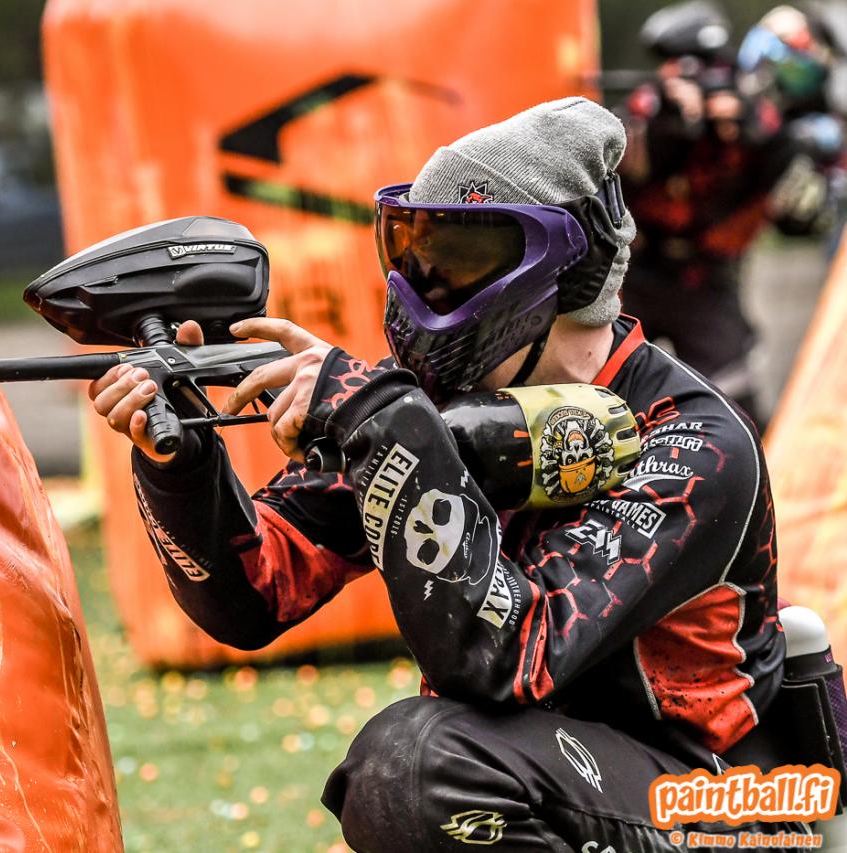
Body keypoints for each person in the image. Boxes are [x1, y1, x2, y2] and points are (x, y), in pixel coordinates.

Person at [89, 98, 802, 851]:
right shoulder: (438, 405)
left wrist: (380, 421)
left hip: (710, 802)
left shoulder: (694, 441)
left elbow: (513, 654)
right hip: (550, 779)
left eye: (457, 259)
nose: (423, 286)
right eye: (411, 252)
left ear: (561, 266)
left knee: (418, 767)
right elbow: (253, 591)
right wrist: (183, 466)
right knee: (418, 768)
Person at [619, 1, 844, 427]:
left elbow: (805, 220)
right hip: (633, 269)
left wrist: (768, 142)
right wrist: (673, 123)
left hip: (709, 279)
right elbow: (625, 172)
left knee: (734, 410)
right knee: (601, 398)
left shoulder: (788, 132)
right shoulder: (666, 100)